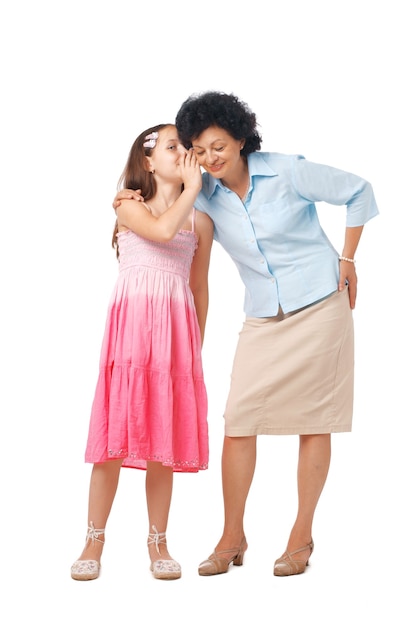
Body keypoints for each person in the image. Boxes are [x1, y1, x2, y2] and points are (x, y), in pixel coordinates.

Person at [113, 92, 379, 577]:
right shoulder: (204, 194)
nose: (212, 157)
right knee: (238, 422)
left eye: (220, 145)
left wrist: (348, 256)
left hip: (320, 302)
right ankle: (232, 535)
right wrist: (135, 192)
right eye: (200, 148)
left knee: (314, 419)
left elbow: (361, 190)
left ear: (240, 138)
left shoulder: (287, 171)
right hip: (263, 313)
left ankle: (301, 535)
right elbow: (166, 222)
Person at [71, 124, 213, 582]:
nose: (183, 153)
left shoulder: (201, 223)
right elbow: (162, 228)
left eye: (184, 147)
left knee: (161, 443)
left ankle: (158, 541)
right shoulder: (129, 207)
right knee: (112, 439)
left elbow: (198, 287)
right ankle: (94, 538)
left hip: (174, 339)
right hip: (132, 334)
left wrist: (196, 347)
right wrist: (193, 188)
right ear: (149, 162)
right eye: (173, 147)